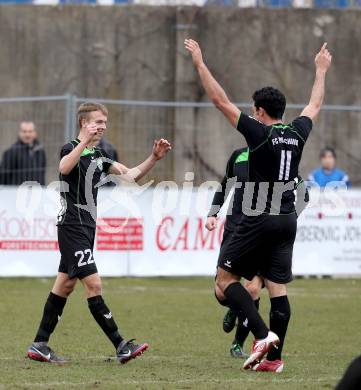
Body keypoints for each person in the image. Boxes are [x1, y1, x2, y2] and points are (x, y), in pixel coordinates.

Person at [185, 38, 332, 371]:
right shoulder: (297, 132)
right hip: (287, 220)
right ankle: (275, 360)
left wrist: (199, 63)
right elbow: (315, 105)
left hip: (258, 216)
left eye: (253, 109)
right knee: (276, 288)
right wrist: (321, 70)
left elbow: (219, 100)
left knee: (224, 282)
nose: (251, 112)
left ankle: (263, 336)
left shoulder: (259, 133)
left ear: (260, 111)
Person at [27, 102, 171, 364]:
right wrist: (83, 142)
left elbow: (129, 176)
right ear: (84, 123)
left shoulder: (99, 155)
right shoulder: (71, 147)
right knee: (93, 284)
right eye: (98, 122)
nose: (102, 127)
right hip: (72, 225)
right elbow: (64, 168)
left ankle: (40, 344)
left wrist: (154, 158)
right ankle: (120, 344)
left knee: (65, 285)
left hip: (86, 226)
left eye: (105, 122)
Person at [206, 147, 309, 361]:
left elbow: (304, 194)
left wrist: (286, 217)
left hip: (262, 231)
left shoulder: (279, 158)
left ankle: (242, 343)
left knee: (252, 288)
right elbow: (226, 185)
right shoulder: (238, 156)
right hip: (235, 231)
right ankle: (237, 309)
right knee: (221, 291)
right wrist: (213, 213)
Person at [0, 121, 46, 185]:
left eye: (30, 131)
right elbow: (3, 176)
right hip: (16, 192)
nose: (27, 135)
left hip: (36, 192)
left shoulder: (40, 151)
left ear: (35, 133)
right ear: (19, 133)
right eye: (24, 131)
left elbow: (42, 174)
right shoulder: (11, 152)